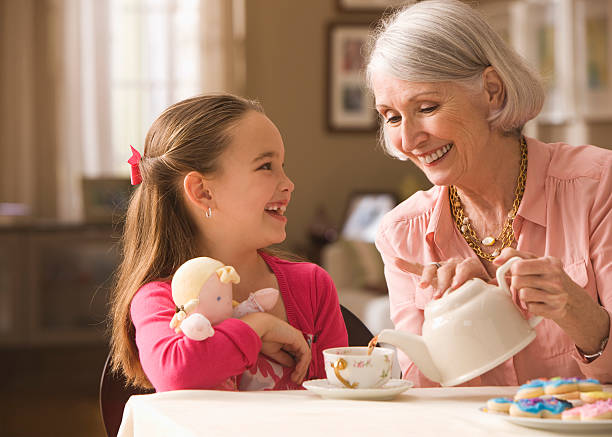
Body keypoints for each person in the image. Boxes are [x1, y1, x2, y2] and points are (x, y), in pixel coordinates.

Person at [366, 0, 611, 387]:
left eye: (427, 107)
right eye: (392, 117)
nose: (409, 140)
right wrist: (452, 314)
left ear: (492, 91)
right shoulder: (402, 233)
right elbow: (423, 395)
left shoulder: (598, 186)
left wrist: (575, 308)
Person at [109, 94, 348, 392]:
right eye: (266, 166)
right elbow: (176, 374)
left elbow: (341, 399)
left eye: (282, 165)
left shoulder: (311, 286)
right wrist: (258, 327)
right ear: (203, 192)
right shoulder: (160, 298)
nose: (288, 183)